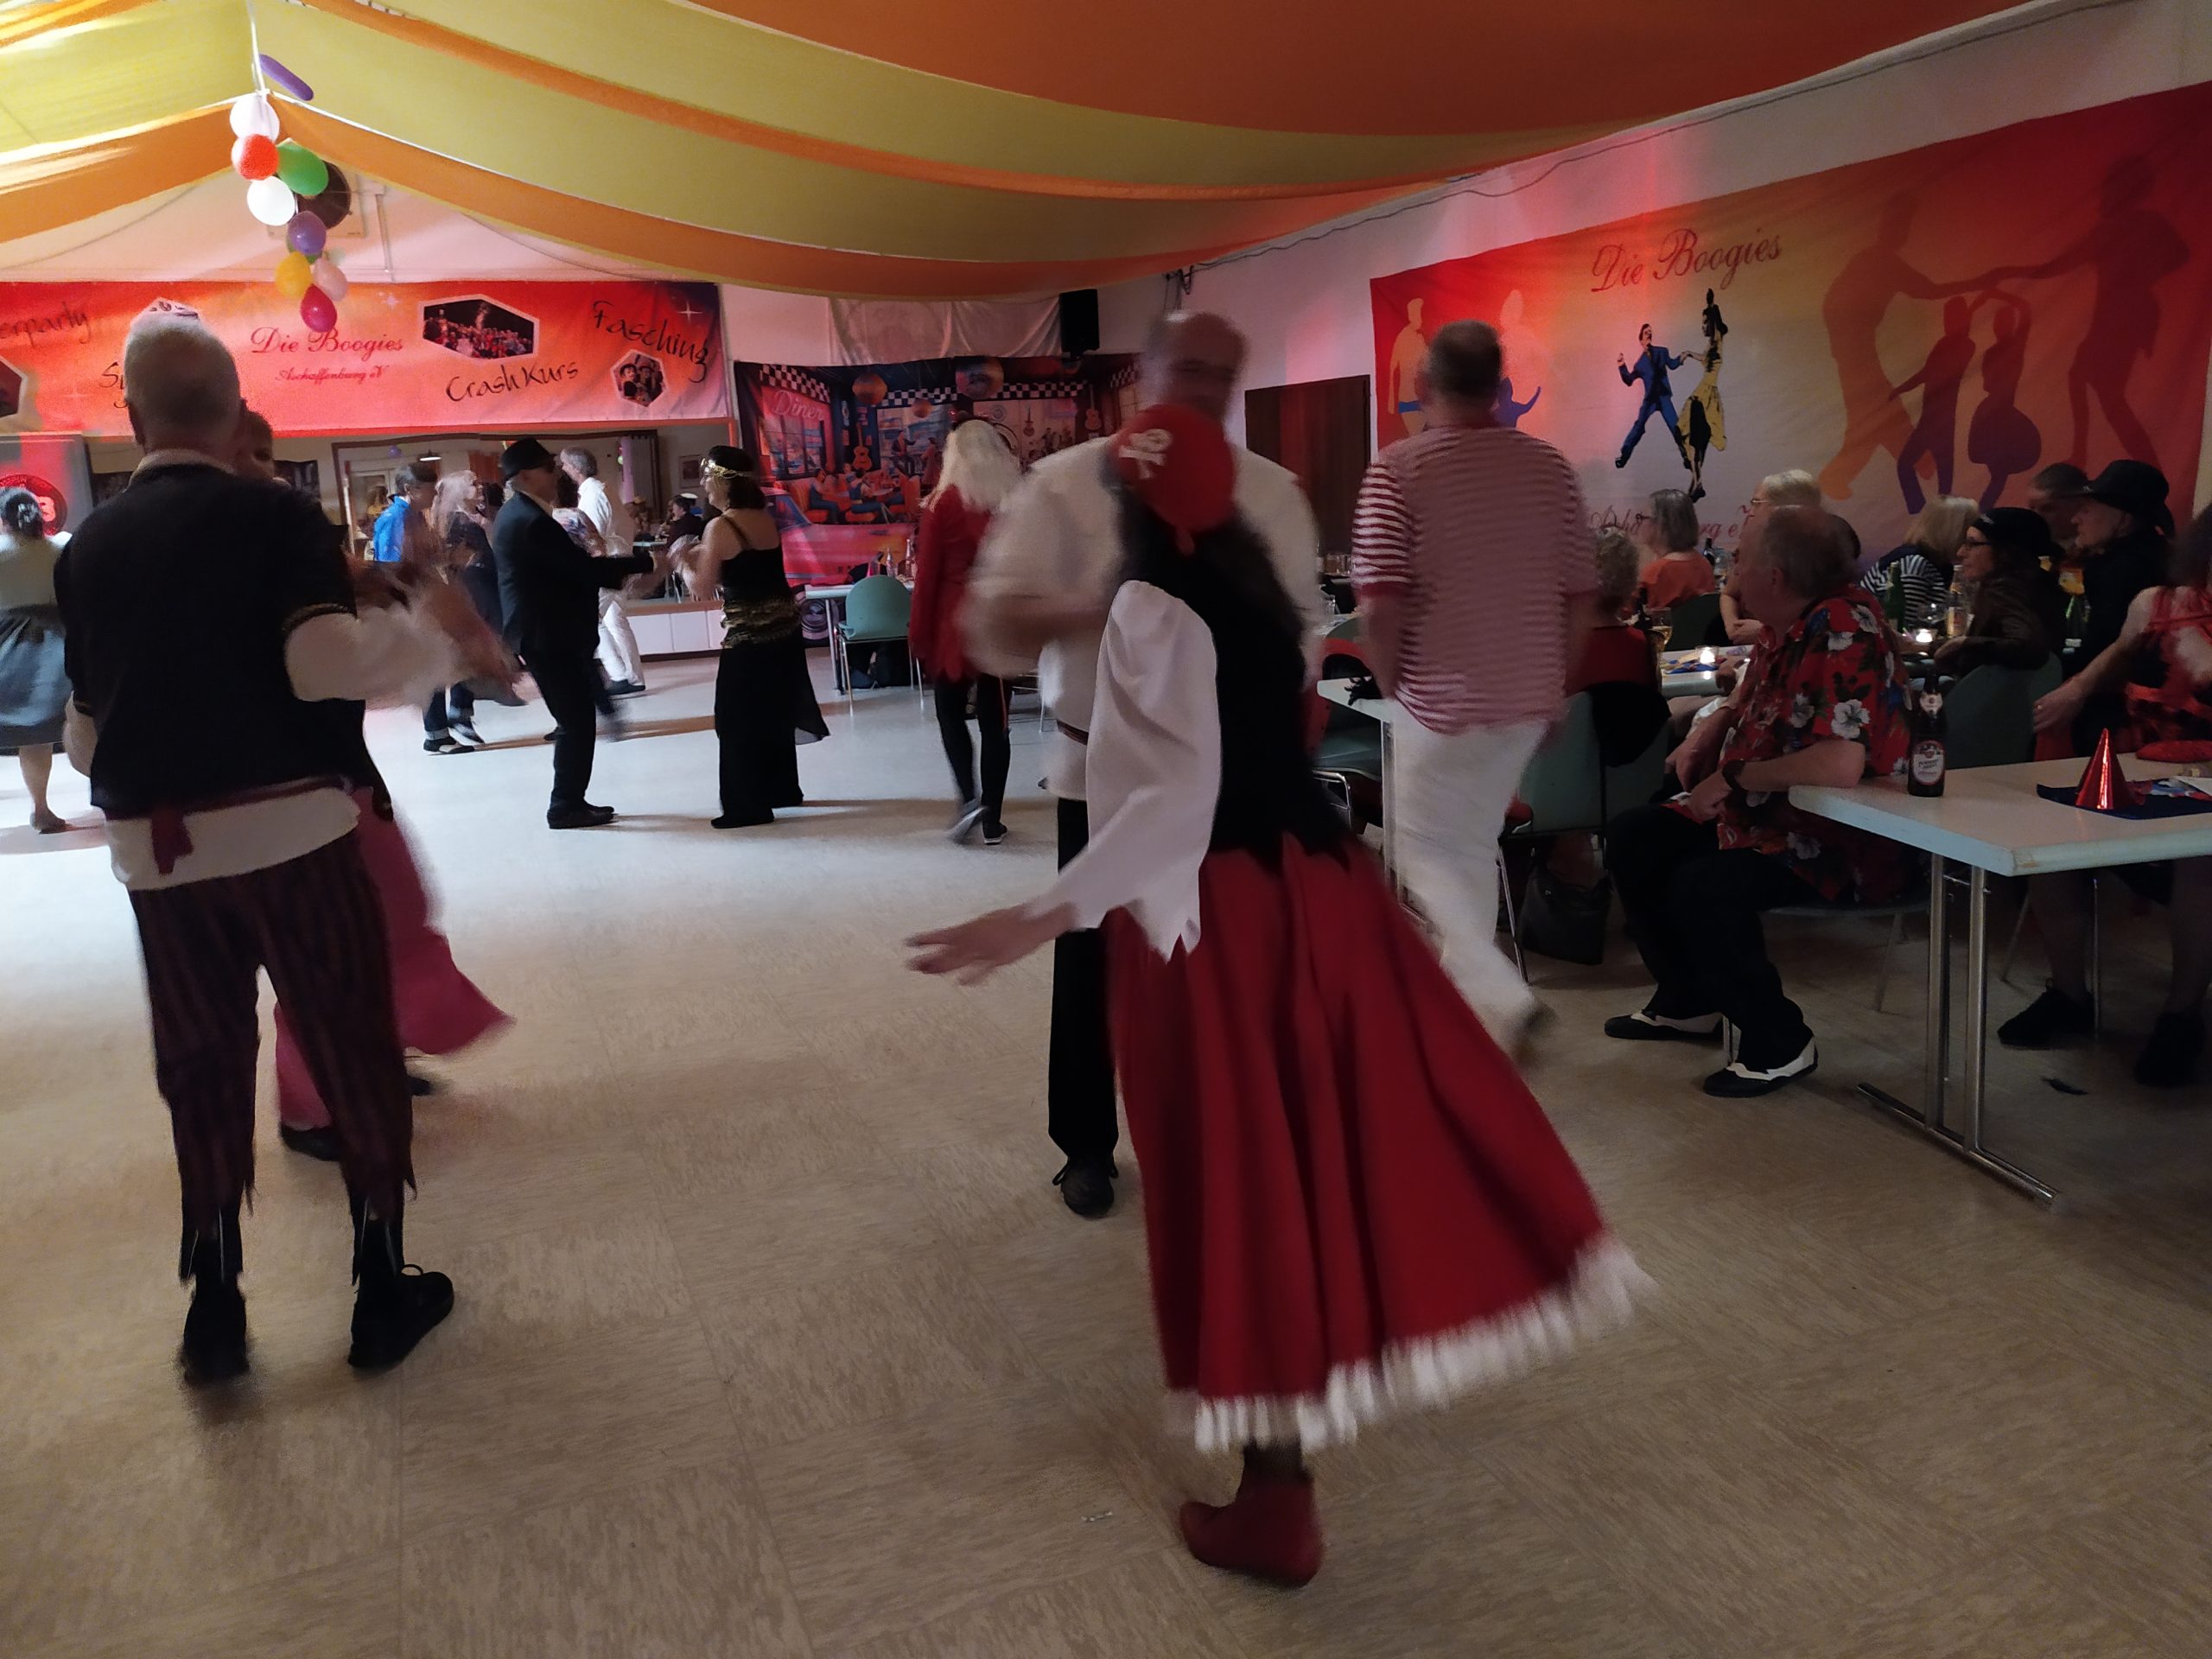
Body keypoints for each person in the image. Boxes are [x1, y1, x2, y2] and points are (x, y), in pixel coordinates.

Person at [908, 404, 1642, 1588]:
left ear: (1134, 508)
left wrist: (1033, 916)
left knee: (1235, 1179)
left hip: (1220, 922)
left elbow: (1165, 808)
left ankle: (1275, 1496)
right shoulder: (1260, 599)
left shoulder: (1150, 607)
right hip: (1322, 898)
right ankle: (1287, 1456)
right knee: (1321, 1155)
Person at [54, 315, 499, 1379]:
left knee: (200, 1064)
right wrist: (434, 643)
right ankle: (379, 1289)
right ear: (234, 409)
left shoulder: (93, 548)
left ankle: (214, 1308)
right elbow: (321, 664)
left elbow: (83, 736)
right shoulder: (273, 514)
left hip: (159, 857)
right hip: (295, 833)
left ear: (132, 420)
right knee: (350, 1042)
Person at [964, 310, 1323, 1221]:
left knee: (1222, 962)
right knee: (1094, 960)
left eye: (1222, 375)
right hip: (1100, 765)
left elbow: (1302, 630)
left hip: (1235, 779)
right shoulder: (1067, 483)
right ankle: (1085, 1144)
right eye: (1187, 369)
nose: (1203, 391)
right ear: (1145, 375)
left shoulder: (1270, 491)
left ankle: (1229, 1134)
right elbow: (992, 622)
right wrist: (1106, 606)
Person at [233, 416, 513, 1160]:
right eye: (246, 453)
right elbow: (334, 661)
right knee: (329, 948)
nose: (261, 468)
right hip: (295, 780)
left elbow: (359, 600)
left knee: (393, 915)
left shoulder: (282, 533)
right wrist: (436, 625)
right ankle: (311, 1107)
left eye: (267, 454)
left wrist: (415, 591)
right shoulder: (241, 543)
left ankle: (375, 1052)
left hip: (338, 772)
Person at [1602, 506, 1911, 1096]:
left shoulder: (1845, 630)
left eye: (1741, 558)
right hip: (1767, 814)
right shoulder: (1787, 623)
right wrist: (1714, 727)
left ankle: (1779, 1040)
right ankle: (1689, 1001)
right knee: (1636, 836)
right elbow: (1754, 688)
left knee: (1703, 884)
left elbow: (1840, 764)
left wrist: (1735, 777)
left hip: (1838, 833)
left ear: (1775, 576)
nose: (1732, 569)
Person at [1353, 318, 1595, 1046]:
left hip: (1439, 699)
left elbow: (1379, 603)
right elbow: (1581, 595)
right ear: (1500, 387)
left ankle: (1499, 996)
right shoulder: (1549, 469)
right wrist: (1556, 685)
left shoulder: (1398, 470)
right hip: (1524, 700)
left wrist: (1391, 684)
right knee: (1467, 846)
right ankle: (1474, 1022)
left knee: (1424, 850)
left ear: (1423, 384)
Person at [2013, 506, 2212, 1085]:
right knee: (2052, 845)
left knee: (2201, 862)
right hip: (2144, 769)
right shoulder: (2158, 604)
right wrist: (2076, 689)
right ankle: (2068, 995)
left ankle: (2181, 1015)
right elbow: (2119, 654)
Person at [493, 437, 652, 829]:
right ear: (525, 476)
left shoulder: (521, 513)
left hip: (546, 632)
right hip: (547, 634)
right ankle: (564, 806)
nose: (557, 474)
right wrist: (642, 562)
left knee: (576, 720)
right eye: (549, 468)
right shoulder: (531, 521)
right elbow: (580, 569)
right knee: (576, 722)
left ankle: (570, 802)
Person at [683, 447, 827, 828]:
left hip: (749, 638)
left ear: (722, 481)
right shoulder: (764, 519)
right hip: (783, 633)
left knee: (735, 719)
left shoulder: (721, 526)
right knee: (774, 710)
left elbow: (701, 587)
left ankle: (747, 806)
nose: (704, 485)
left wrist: (681, 563)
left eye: (707, 477)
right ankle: (781, 789)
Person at [912, 420, 1023, 844]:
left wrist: (919, 633)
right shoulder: (1015, 499)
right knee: (997, 723)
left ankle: (968, 799)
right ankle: (993, 818)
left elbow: (927, 577)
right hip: (999, 619)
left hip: (951, 621)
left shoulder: (942, 503)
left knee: (950, 714)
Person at [2045, 460, 2171, 754]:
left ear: (2123, 519)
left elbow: (2113, 646)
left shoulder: (2121, 568)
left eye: (2087, 509)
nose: (2076, 519)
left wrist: (2070, 685)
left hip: (2122, 717)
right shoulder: (2160, 556)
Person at [0, 486, 74, 832]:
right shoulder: (60, 546)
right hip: (59, 642)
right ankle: (46, 809)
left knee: (30, 735)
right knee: (62, 726)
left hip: (8, 643)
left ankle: (41, 809)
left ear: (4, 521)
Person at [1929, 508, 2066, 677]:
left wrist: (1965, 643)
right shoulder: (2036, 585)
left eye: (1972, 544)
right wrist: (1924, 646)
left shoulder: (2007, 589)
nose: (1961, 552)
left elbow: (2029, 648)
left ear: (2005, 551)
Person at [561, 448, 647, 698]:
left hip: (608, 564)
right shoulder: (603, 490)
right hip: (618, 561)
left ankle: (619, 675)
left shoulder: (594, 495)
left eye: (565, 464)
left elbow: (591, 536)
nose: (563, 469)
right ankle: (632, 677)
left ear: (575, 468)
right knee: (615, 620)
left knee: (591, 618)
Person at [1718, 469, 1819, 646]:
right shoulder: (1752, 545)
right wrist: (1732, 626)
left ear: (1786, 507)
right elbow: (1729, 594)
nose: (1750, 512)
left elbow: (1814, 620)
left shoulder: (1816, 555)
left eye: (1757, 503)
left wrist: (1764, 631)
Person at [1859, 494, 1975, 632]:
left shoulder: (1933, 563)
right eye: (1968, 535)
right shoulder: (1914, 565)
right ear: (1954, 533)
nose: (1969, 543)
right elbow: (1904, 626)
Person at [1614, 322, 1691, 470]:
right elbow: (1629, 380)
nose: (1649, 334)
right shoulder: (1640, 364)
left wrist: (1682, 357)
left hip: (1663, 396)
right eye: (1646, 332)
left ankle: (1687, 456)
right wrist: (1621, 366)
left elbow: (1673, 364)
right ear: (1641, 340)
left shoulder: (1662, 352)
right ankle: (1624, 456)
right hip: (1650, 399)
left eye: (1650, 332)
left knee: (1676, 426)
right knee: (1639, 426)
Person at [1637, 487, 1714, 615]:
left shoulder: (1657, 573)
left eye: (1642, 517)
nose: (1639, 523)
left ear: (1661, 524)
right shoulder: (1704, 564)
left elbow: (1624, 613)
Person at [1681, 290, 1727, 503]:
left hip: (1706, 396)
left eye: (1705, 322)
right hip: (1702, 395)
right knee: (1695, 443)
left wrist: (1710, 304)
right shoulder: (1710, 345)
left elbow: (1717, 326)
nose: (1703, 327)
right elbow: (1704, 358)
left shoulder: (1717, 340)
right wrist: (1689, 353)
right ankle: (1696, 485)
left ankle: (1697, 485)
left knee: (1697, 442)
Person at [371, 461, 438, 569]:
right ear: (408, 489)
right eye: (430, 488)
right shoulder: (395, 518)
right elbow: (391, 567)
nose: (435, 493)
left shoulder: (415, 514)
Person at [2027, 461, 2090, 556]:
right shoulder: (2026, 550)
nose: (2036, 517)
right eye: (2032, 508)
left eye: (2048, 509)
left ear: (2080, 505)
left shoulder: (2101, 550)